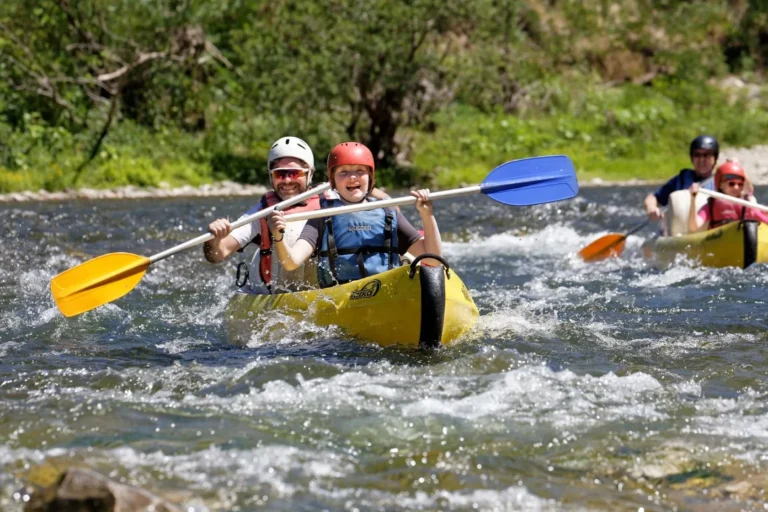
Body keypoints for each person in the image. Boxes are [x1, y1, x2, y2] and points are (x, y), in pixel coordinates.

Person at [204, 136, 393, 292]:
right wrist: (214, 239)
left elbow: (381, 206)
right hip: (275, 294)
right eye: (280, 174)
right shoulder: (262, 212)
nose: (287, 180)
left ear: (309, 174)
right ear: (271, 176)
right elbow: (217, 254)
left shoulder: (333, 197)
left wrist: (374, 193)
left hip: (323, 291)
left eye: (294, 174)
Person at [267, 142, 442, 288]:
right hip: (341, 297)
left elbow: (433, 261)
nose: (352, 177)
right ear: (333, 181)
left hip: (388, 292)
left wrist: (427, 215)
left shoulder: (389, 213)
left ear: (370, 177)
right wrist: (278, 235)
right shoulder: (322, 216)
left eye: (360, 171)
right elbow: (291, 262)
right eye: (343, 172)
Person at [644, 135, 719, 221]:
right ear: (692, 158)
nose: (701, 159)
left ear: (715, 158)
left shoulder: (723, 180)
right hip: (681, 229)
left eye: (706, 155)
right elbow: (653, 198)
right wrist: (651, 208)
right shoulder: (682, 179)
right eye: (697, 155)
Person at [687, 160, 768, 233]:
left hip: (742, 239)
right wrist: (693, 199)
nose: (736, 187)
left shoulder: (747, 206)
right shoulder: (710, 206)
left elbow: (750, 189)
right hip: (718, 241)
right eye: (731, 184)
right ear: (721, 185)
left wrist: (739, 168)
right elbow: (693, 228)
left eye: (740, 184)